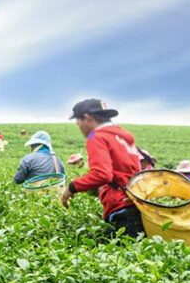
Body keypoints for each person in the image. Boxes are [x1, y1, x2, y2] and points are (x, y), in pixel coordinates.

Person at [60, 99, 145, 237]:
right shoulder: (122, 136)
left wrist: (71, 188)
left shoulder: (96, 137)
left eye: (78, 121)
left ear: (88, 118)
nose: (78, 125)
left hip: (119, 205)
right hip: (135, 200)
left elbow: (102, 174)